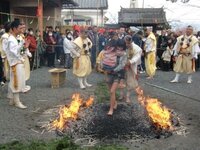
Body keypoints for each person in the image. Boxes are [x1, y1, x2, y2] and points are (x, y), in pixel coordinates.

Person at [6, 20, 29, 109]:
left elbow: (20, 51)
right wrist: (22, 45)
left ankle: (12, 100)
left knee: (16, 80)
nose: (21, 30)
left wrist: (24, 47)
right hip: (15, 63)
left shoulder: (16, 37)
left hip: (18, 62)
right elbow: (15, 52)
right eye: (19, 28)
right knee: (17, 82)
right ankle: (17, 101)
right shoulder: (11, 39)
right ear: (14, 28)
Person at [124, 35, 142, 103]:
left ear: (131, 41)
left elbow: (137, 57)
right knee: (122, 81)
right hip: (122, 65)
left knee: (130, 81)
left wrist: (130, 62)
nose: (126, 44)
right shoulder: (123, 45)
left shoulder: (137, 48)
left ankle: (127, 96)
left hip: (131, 66)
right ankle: (122, 95)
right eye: (125, 43)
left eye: (128, 43)